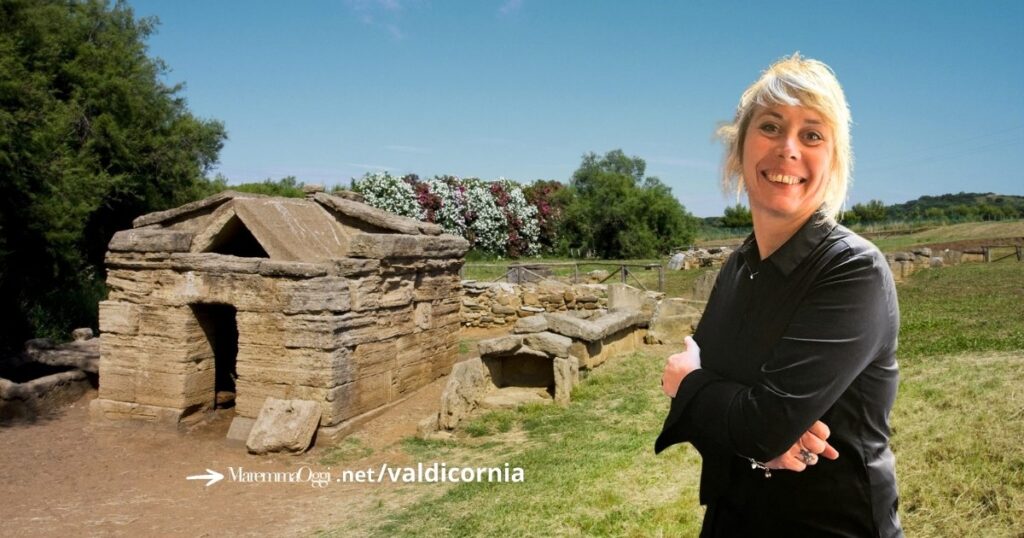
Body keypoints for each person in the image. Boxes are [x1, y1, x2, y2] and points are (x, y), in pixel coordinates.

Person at [655, 54, 903, 537]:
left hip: (831, 525)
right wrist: (755, 429)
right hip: (732, 517)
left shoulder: (853, 270)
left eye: (812, 135)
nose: (788, 149)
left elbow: (748, 415)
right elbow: (740, 420)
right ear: (740, 148)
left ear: (833, 161)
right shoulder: (738, 265)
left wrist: (689, 385)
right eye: (770, 127)